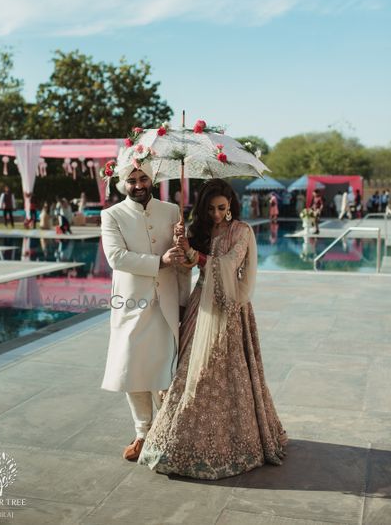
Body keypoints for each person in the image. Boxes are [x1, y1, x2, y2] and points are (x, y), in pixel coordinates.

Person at [138, 178, 287, 479]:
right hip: (201, 305)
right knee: (189, 370)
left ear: (231, 204)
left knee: (219, 371)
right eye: (211, 209)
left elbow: (230, 263)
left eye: (221, 208)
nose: (217, 215)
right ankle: (176, 437)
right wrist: (183, 244)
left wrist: (199, 256)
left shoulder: (241, 231)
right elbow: (189, 265)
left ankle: (229, 442)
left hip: (230, 309)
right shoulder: (204, 229)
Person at [100, 161, 191, 462]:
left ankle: (162, 432)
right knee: (133, 368)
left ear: (152, 179)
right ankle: (142, 432)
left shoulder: (172, 211)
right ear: (122, 184)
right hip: (131, 304)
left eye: (143, 178)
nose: (138, 185)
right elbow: (116, 258)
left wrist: (183, 294)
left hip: (165, 303)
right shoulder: (111, 215)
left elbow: (181, 264)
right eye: (132, 180)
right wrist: (160, 261)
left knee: (163, 369)